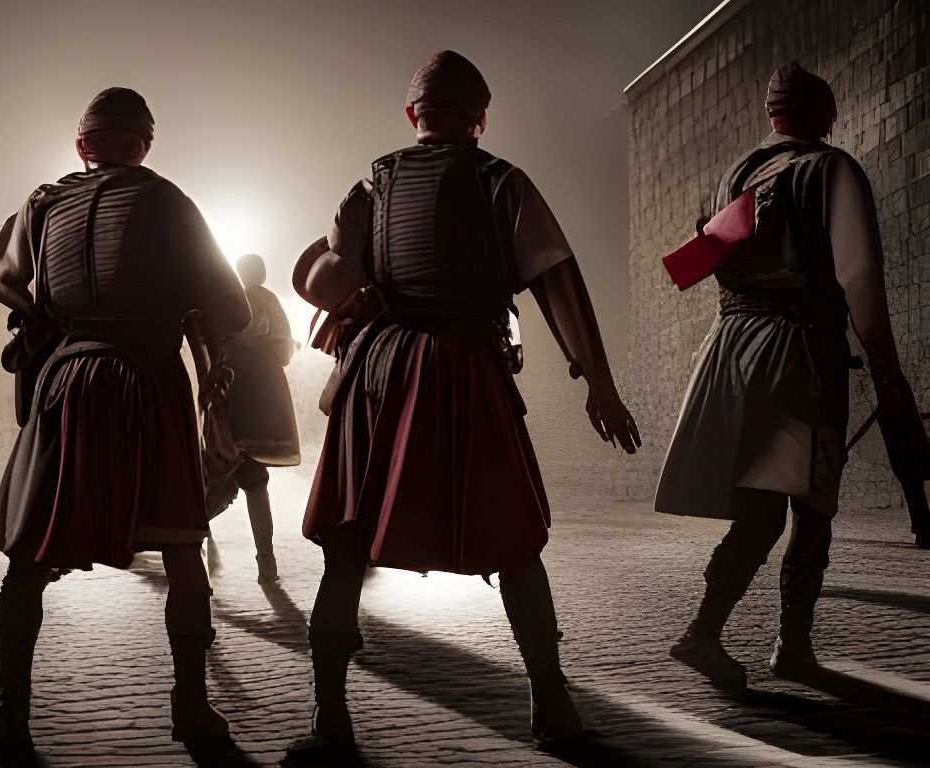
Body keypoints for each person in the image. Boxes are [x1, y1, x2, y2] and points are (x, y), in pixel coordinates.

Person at [293, 51, 639, 748]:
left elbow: (325, 272)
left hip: (378, 374)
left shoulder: (372, 184)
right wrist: (596, 380)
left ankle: (329, 717)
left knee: (344, 549)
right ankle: (551, 706)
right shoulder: (500, 181)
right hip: (463, 370)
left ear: (411, 115)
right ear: (481, 118)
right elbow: (555, 280)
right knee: (513, 542)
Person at [0, 87, 250, 764]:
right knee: (181, 550)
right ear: (143, 143)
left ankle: (10, 716)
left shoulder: (45, 200)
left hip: (67, 380)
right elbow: (223, 307)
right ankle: (191, 704)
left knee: (29, 559)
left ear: (81, 144)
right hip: (147, 377)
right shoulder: (166, 200)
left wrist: (46, 315)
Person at [660, 62, 930, 688]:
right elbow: (857, 276)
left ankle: (712, 632)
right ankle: (783, 645)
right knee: (811, 502)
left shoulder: (736, 173)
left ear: (771, 115)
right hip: (801, 355)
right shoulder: (831, 169)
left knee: (759, 504)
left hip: (733, 348)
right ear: (825, 113)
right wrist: (887, 371)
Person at [214, 253, 301, 583]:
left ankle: (198, 549)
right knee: (256, 479)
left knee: (216, 465)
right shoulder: (269, 300)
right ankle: (267, 560)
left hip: (232, 387)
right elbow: (284, 351)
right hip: (265, 390)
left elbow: (213, 341)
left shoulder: (228, 299)